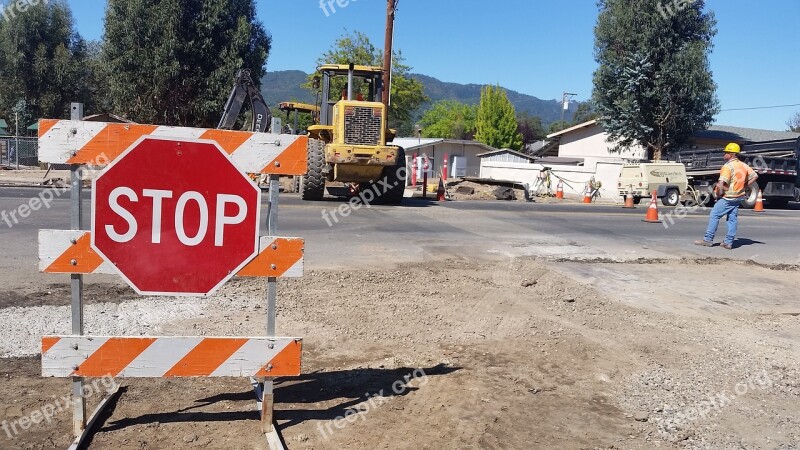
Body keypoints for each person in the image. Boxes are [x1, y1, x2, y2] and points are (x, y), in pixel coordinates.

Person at [694, 143, 758, 249]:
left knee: (714, 215)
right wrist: (744, 185)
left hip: (728, 197)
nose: (724, 154)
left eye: (726, 152)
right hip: (738, 197)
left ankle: (708, 239)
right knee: (732, 219)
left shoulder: (728, 167)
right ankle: (728, 242)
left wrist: (717, 194)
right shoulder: (743, 165)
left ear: (732, 154)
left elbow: (721, 183)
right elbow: (755, 176)